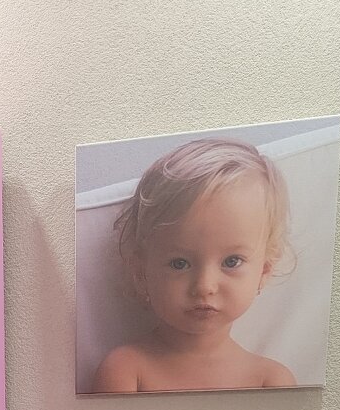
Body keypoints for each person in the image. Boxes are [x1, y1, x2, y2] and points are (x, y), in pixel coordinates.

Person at [92, 139, 296, 393]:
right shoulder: (125, 371)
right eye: (180, 263)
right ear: (141, 271)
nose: (204, 286)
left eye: (231, 261)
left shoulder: (271, 381)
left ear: (264, 271)